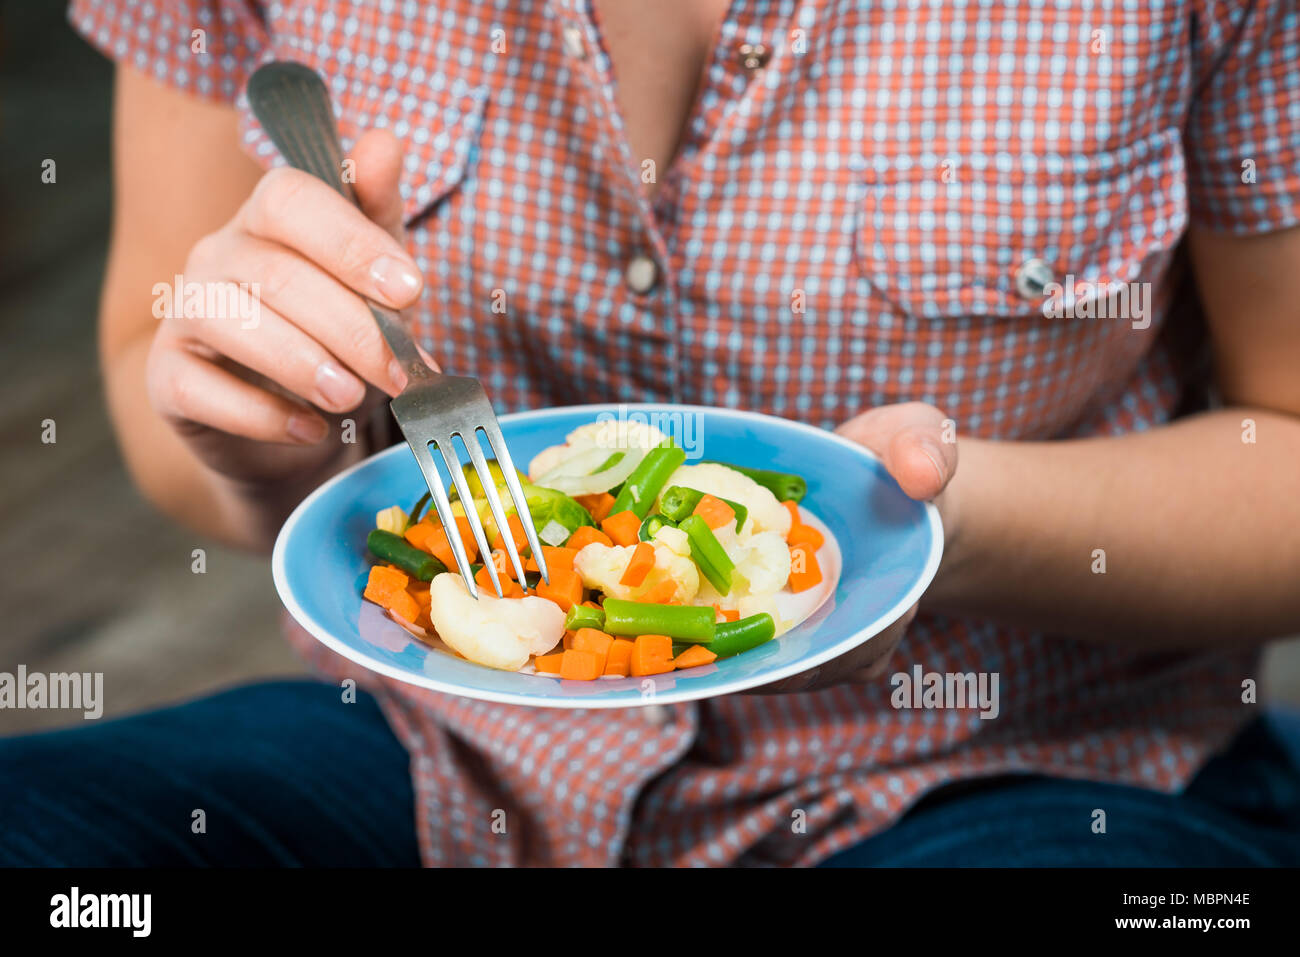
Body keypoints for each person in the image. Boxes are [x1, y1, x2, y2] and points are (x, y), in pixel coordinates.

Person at [3, 0, 1297, 866]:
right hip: (430, 749)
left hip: (1027, 771)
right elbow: (153, 372)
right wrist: (269, 436)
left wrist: (932, 531)